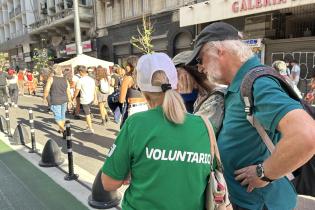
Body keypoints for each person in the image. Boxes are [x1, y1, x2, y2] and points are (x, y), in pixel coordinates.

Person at [186, 22, 315, 210]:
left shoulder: (257, 83)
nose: (200, 67)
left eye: (200, 59)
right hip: (248, 201)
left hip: (260, 204)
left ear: (219, 51)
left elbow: (306, 136)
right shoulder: (240, 84)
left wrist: (264, 173)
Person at [101, 53, 213, 210]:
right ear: (175, 83)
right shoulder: (204, 125)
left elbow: (108, 182)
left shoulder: (135, 124)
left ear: (141, 89)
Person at [173, 51, 225, 132]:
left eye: (176, 73)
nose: (174, 82)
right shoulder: (202, 96)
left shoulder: (216, 98)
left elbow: (194, 133)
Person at [43, 65, 72, 139]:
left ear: (53, 71)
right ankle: (61, 129)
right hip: (64, 100)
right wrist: (70, 101)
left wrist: (44, 98)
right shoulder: (65, 79)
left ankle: (63, 130)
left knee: (57, 117)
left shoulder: (51, 79)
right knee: (62, 115)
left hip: (55, 100)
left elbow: (47, 90)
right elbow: (68, 91)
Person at [119, 56, 148, 127]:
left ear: (132, 66)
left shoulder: (127, 78)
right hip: (145, 108)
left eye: (127, 65)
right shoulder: (144, 77)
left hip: (134, 109)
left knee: (130, 135)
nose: (125, 67)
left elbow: (121, 100)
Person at [72, 65, 96, 134]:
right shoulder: (91, 79)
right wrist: (95, 98)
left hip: (85, 99)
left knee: (87, 114)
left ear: (80, 72)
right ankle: (88, 126)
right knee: (88, 112)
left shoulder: (80, 80)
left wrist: (73, 98)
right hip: (91, 98)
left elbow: (77, 91)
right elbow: (94, 89)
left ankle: (90, 129)